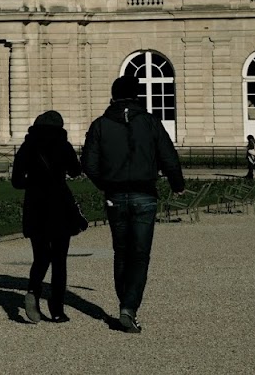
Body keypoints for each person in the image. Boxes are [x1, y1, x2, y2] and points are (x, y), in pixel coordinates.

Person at [82, 75, 185, 334]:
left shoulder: (100, 125)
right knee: (139, 256)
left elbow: (89, 165)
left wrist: (106, 184)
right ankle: (129, 307)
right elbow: (168, 157)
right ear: (137, 96)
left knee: (121, 253)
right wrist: (177, 184)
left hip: (115, 196)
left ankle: (124, 303)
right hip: (144, 195)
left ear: (113, 96)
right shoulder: (150, 122)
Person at [12, 111, 82, 324]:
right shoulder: (63, 145)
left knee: (41, 255)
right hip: (59, 205)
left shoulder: (27, 146)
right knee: (60, 260)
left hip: (36, 205)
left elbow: (16, 181)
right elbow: (76, 171)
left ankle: (33, 291)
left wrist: (33, 183)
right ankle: (57, 310)